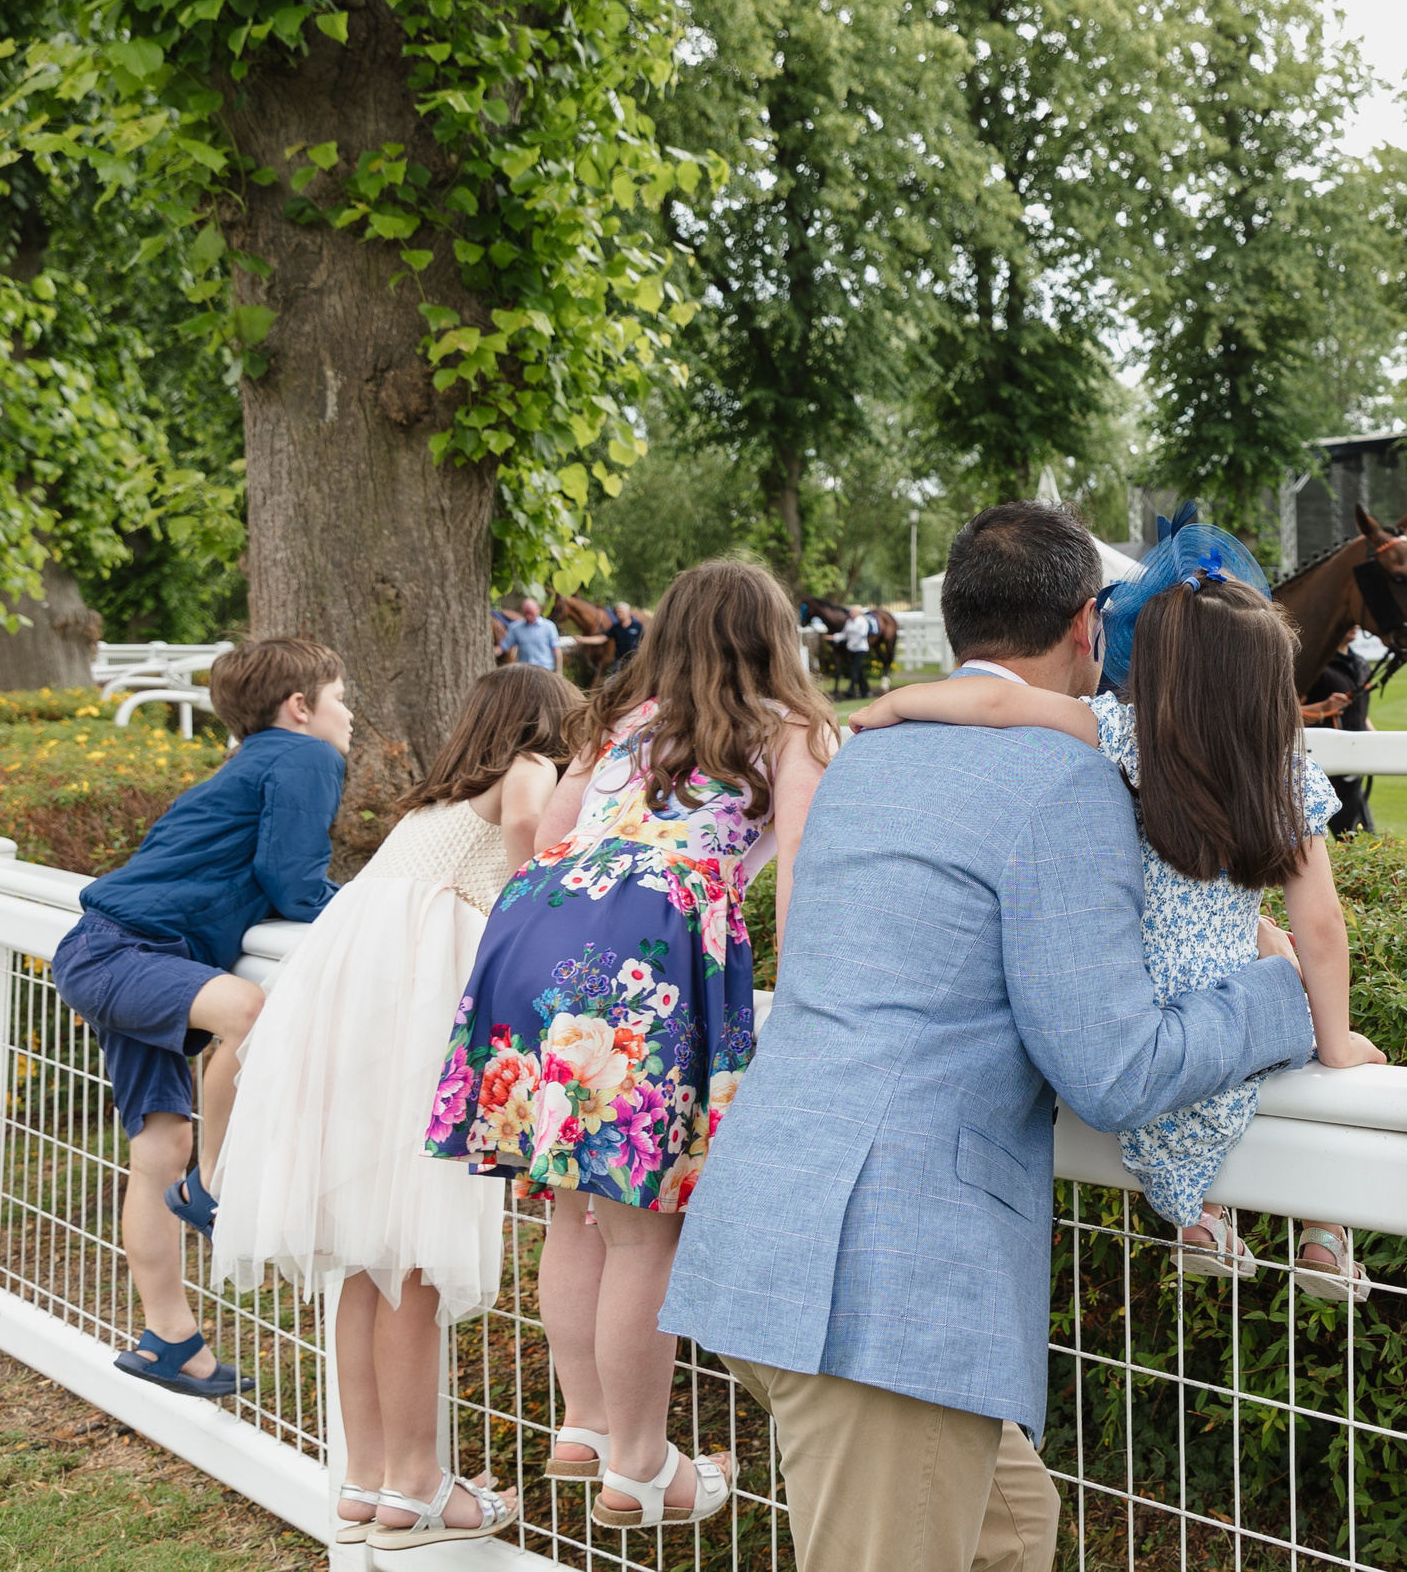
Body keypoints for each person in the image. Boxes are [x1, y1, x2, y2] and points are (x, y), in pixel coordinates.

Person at [659, 502, 1317, 1572]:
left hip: (775, 1234)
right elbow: (1116, 1065)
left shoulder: (870, 751)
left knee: (1014, 1531)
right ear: (1084, 626)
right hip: (881, 1292)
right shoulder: (1060, 782)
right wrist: (1278, 998)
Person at [852, 520, 1385, 1299]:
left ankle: (1200, 1217)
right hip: (1222, 1005)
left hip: (1137, 1010)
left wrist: (899, 700)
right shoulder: (1285, 769)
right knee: (1286, 986)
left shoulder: (1118, 734)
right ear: (1271, 678)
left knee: (1260, 963)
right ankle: (1326, 1231)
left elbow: (1001, 708)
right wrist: (1332, 1041)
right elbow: (1323, 928)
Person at [425, 560, 835, 1531]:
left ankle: (585, 1421)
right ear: (775, 635)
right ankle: (641, 1467)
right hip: (646, 945)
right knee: (645, 1222)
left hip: (536, 927)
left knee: (575, 1208)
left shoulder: (618, 726)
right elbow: (803, 879)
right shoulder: (789, 730)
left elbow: (553, 836)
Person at [211, 665, 577, 1552]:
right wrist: (543, 915)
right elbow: (532, 819)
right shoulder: (526, 767)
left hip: (350, 1025)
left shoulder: (433, 806)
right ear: (537, 725)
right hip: (414, 1026)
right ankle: (416, 1485)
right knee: (410, 1256)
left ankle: (369, 1482)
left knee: (366, 1263)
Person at [47, 639, 350, 1397]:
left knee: (160, 1146)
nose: (351, 719)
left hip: (110, 950)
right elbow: (294, 881)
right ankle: (213, 1183)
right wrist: (368, 916)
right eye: (343, 700)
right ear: (301, 708)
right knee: (249, 1009)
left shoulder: (251, 758)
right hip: (127, 952)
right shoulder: (302, 755)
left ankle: (169, 1339)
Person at [1302, 638, 1378, 836]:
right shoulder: (1310, 665)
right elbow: (1282, 715)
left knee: (1360, 839)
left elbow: (1361, 712)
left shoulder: (1361, 664)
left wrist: (1374, 739)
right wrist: (1323, 708)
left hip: (1352, 770)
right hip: (1315, 769)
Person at [504, 596, 561, 671]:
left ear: (538, 610)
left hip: (544, 669)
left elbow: (556, 650)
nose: (528, 616)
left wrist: (559, 671)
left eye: (530, 613)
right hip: (524, 670)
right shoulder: (516, 628)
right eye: (525, 613)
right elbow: (504, 646)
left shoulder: (549, 626)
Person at [838, 605, 874, 701]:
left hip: (860, 649)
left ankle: (851, 690)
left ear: (858, 612)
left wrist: (853, 645)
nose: (851, 613)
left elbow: (862, 635)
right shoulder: (849, 622)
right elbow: (844, 634)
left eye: (853, 611)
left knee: (855, 669)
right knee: (859, 670)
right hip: (852, 649)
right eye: (850, 612)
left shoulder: (862, 621)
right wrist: (833, 637)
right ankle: (865, 690)